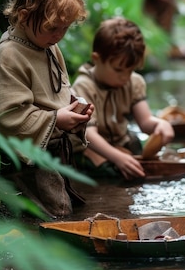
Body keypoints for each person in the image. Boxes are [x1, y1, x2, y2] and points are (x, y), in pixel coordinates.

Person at [0, 0, 93, 218]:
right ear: (23, 14)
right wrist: (56, 119)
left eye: (65, 28)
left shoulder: (47, 45)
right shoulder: (9, 55)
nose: (59, 35)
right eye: (53, 28)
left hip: (53, 150)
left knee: (64, 207)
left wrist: (75, 104)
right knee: (48, 216)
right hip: (27, 160)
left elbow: (59, 87)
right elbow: (9, 117)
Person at [72, 16, 175, 180]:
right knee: (110, 173)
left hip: (121, 142)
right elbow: (89, 134)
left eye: (130, 70)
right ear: (97, 59)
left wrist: (160, 124)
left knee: (149, 162)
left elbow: (145, 121)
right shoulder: (84, 87)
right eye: (119, 70)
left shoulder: (134, 82)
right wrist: (117, 157)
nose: (125, 77)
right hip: (92, 147)